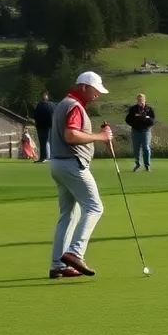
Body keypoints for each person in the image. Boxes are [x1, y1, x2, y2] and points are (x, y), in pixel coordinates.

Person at [48, 72, 114, 279]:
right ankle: (75, 253)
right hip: (72, 164)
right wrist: (100, 137)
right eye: (95, 90)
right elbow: (71, 135)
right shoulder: (74, 106)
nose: (98, 95)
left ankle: (58, 265)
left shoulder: (63, 104)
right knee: (95, 207)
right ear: (84, 87)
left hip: (58, 164)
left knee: (68, 215)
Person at [125, 93, 156, 172]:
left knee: (146, 148)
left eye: (141, 100)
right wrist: (134, 122)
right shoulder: (133, 109)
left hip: (146, 131)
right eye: (138, 100)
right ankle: (137, 164)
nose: (140, 102)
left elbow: (153, 121)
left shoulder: (149, 109)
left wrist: (146, 117)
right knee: (136, 148)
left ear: (145, 101)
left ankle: (147, 165)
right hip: (135, 131)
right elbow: (128, 120)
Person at [32, 90, 56, 163]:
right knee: (48, 142)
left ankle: (44, 157)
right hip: (50, 126)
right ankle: (48, 157)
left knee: (44, 142)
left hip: (43, 126)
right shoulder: (52, 105)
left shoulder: (41, 105)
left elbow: (35, 115)